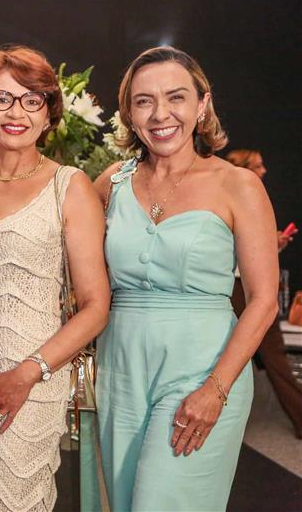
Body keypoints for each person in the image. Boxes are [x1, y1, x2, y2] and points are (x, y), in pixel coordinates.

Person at [93, 46, 279, 511]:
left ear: (202, 104)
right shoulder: (112, 183)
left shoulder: (238, 185)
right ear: (129, 113)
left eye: (176, 97)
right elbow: (54, 229)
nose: (161, 114)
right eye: (144, 101)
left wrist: (216, 388)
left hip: (203, 370)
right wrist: (3, 172)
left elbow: (263, 300)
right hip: (121, 374)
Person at [0, 45, 110, 511]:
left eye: (31, 100)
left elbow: (95, 306)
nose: (16, 113)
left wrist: (28, 372)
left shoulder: (68, 186)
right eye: (2, 99)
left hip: (28, 386)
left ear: (49, 112)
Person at [225, 148, 301, 438]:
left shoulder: (242, 195)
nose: (264, 170)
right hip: (241, 289)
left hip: (241, 286)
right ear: (244, 169)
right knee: (274, 356)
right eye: (258, 165)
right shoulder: (240, 196)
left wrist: (272, 244)